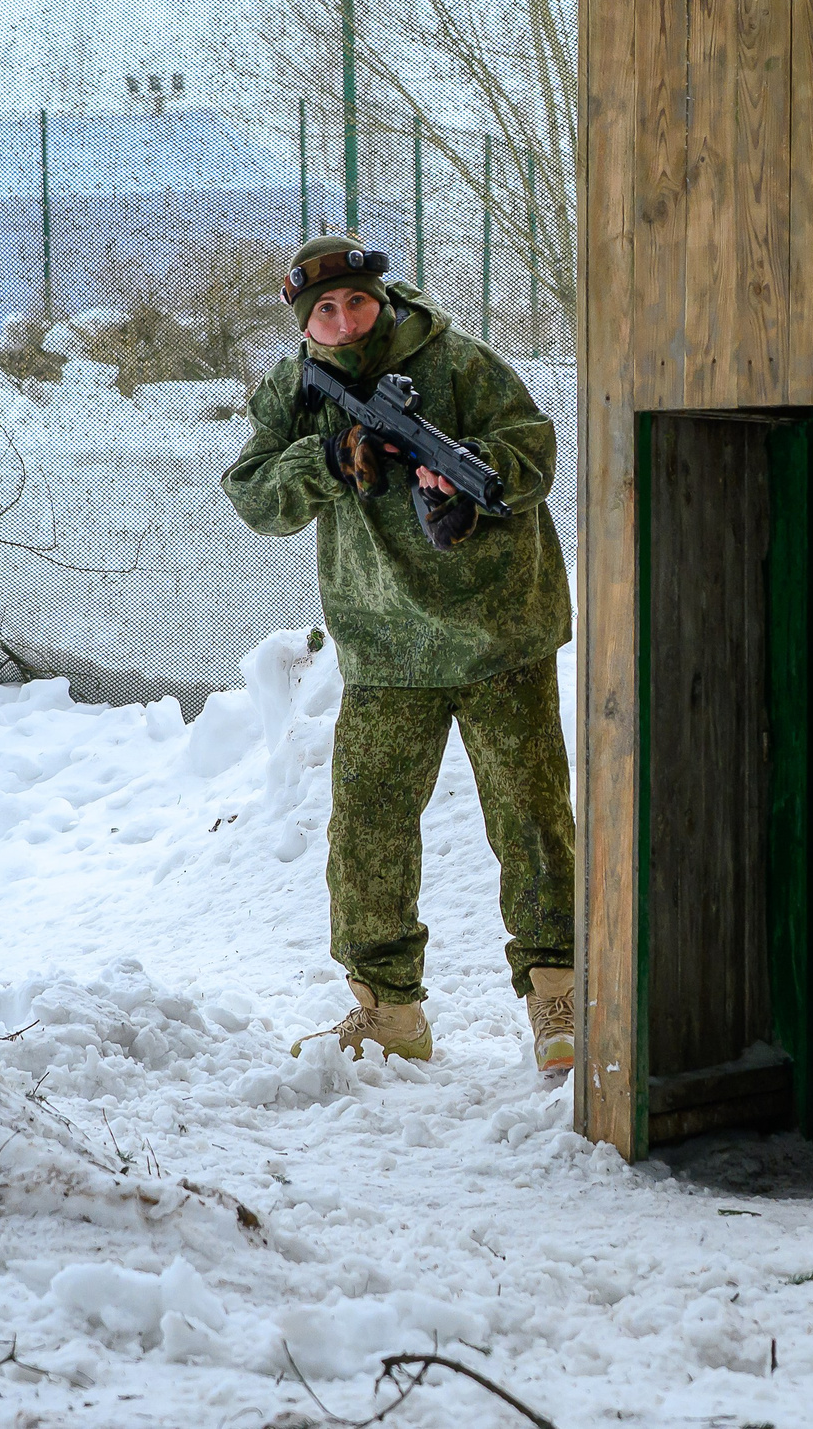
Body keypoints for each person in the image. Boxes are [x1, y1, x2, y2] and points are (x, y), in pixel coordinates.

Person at [221, 234, 577, 1074]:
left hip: (499, 631)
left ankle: (559, 994)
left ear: (383, 297)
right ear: (307, 324)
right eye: (325, 313)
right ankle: (389, 1011)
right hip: (384, 645)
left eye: (357, 302)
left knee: (530, 819)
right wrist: (329, 460)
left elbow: (535, 449)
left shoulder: (459, 360)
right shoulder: (296, 388)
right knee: (370, 830)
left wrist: (470, 476)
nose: (345, 323)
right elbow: (253, 495)